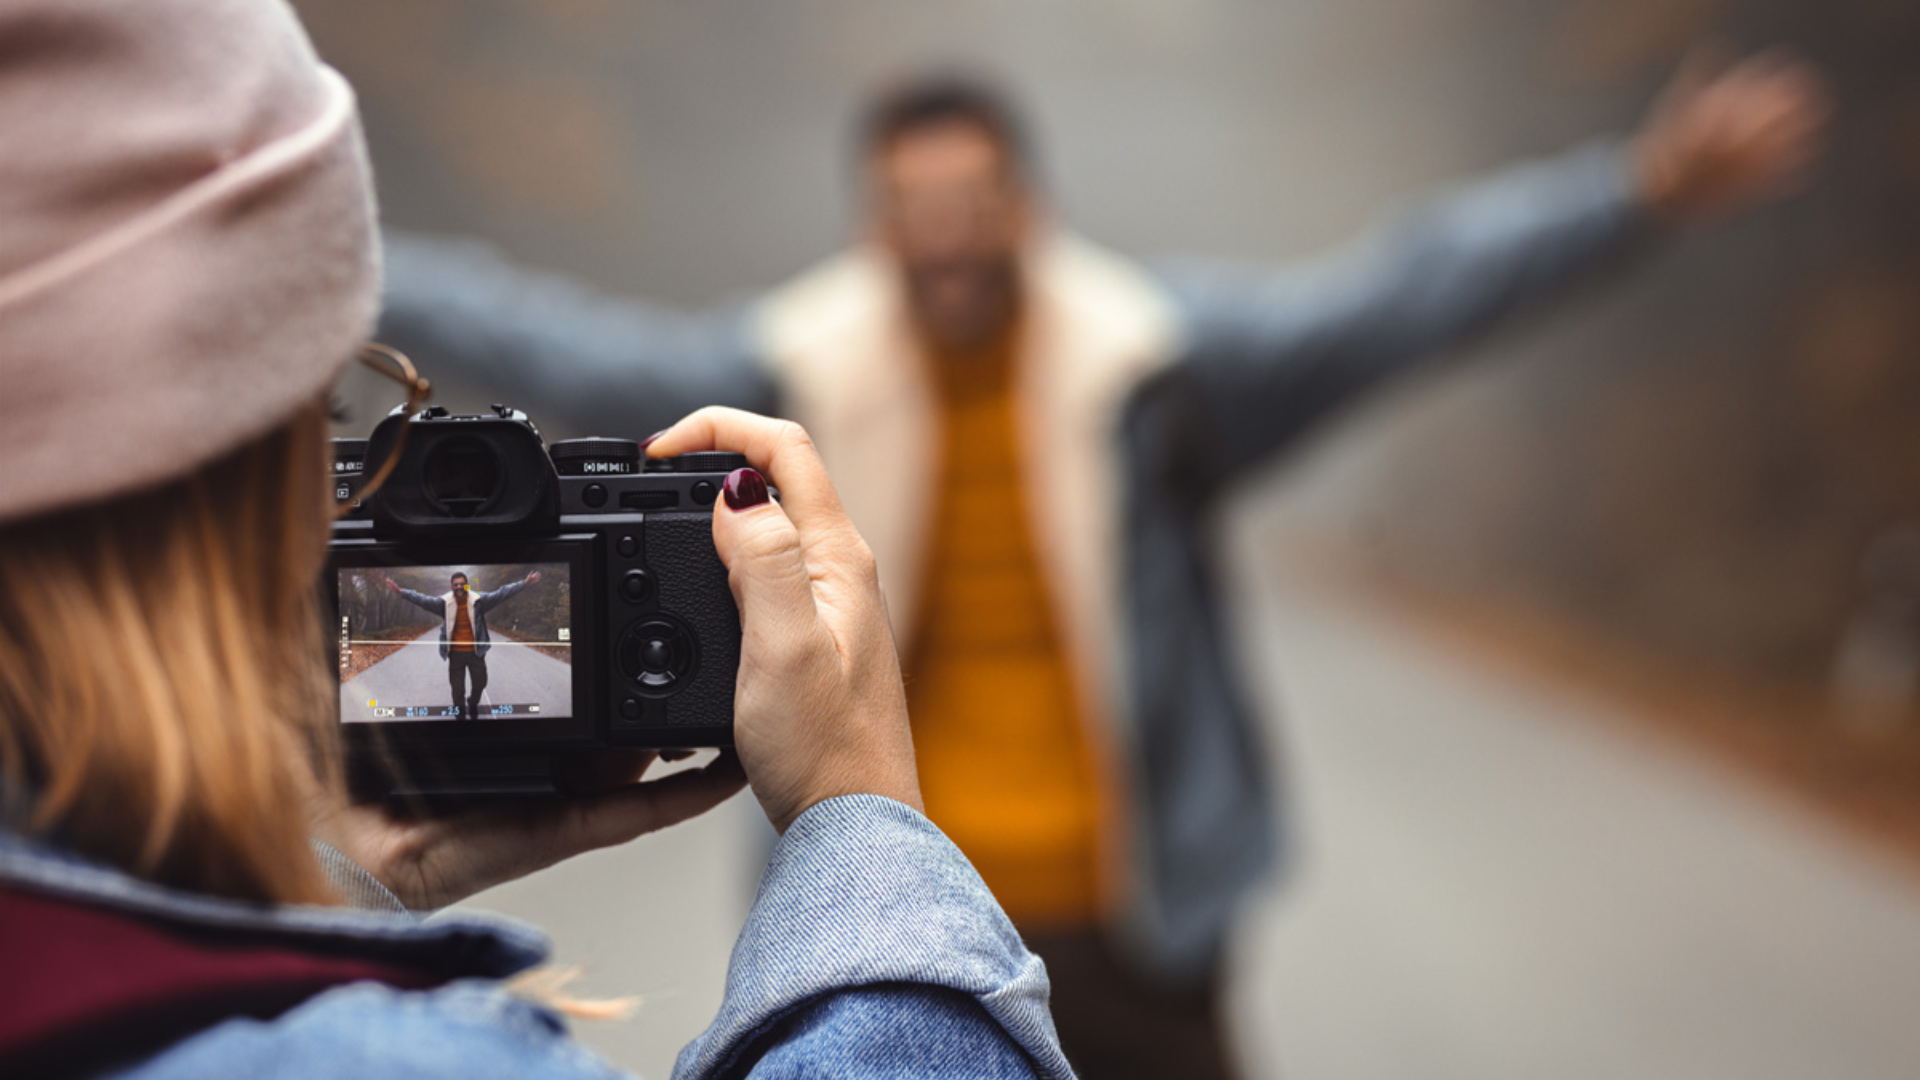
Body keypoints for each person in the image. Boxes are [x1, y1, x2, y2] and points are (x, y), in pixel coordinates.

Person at [376, 51, 1830, 1078]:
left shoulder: (1154, 369)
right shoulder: (780, 380)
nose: (946, 238)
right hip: (899, 898)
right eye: (914, 209)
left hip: (1139, 920)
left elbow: (1404, 295)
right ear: (872, 224)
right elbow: (542, 331)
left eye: (973, 202)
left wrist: (1633, 191)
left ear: (1029, 206)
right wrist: (326, 266)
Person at [0, 2, 1070, 1078]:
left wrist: (330, 885)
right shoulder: (392, 1062)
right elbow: (556, 345)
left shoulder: (1144, 358)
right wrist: (863, 818)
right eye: (324, 410)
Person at [383, 569, 542, 720]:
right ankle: (460, 716)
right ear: (451, 587)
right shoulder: (444, 603)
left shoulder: (479, 601)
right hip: (456, 654)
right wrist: (401, 592)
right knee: (457, 690)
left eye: (462, 584)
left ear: (467, 585)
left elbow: (502, 593)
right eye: (455, 584)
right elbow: (422, 599)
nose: (459, 587)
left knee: (480, 683)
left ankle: (472, 703)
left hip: (476, 652)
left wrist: (524, 583)